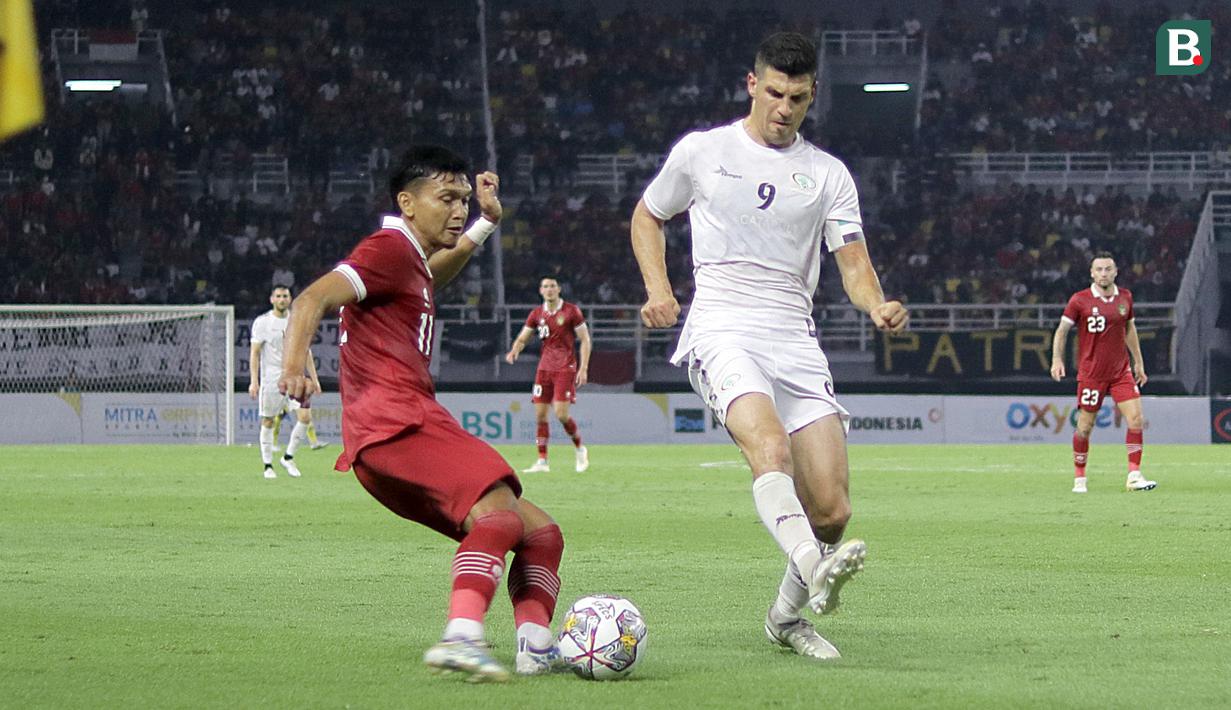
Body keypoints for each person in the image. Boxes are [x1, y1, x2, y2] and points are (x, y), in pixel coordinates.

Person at [630, 32, 909, 660]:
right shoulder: (704, 152)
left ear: (813, 98)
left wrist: (877, 304)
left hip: (794, 335)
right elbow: (648, 215)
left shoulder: (827, 174)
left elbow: (854, 264)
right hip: (723, 325)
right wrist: (658, 288)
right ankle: (815, 569)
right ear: (753, 85)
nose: (785, 108)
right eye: (775, 93)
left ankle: (786, 618)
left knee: (833, 508)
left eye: (799, 98)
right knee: (767, 444)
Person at [279, 146, 565, 682]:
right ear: (408, 203)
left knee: (540, 533)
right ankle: (461, 636)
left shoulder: (409, 260)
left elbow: (432, 276)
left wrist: (484, 225)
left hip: (388, 437)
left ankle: (535, 645)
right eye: (447, 199)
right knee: (500, 512)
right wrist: (295, 364)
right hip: (398, 423)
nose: (458, 209)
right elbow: (311, 298)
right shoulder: (388, 247)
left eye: (463, 198)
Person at [1050, 252, 1156, 493]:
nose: (1104, 273)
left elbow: (1129, 329)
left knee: (1136, 419)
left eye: (1108, 269)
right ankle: (1080, 479)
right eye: (1099, 269)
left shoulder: (1125, 297)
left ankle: (1134, 476)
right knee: (1085, 427)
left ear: (1116, 271)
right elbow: (1061, 331)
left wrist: (1138, 362)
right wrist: (1057, 359)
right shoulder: (1080, 300)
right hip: (1092, 374)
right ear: (1092, 273)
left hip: (1121, 372)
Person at [504, 277, 592, 473]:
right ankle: (542, 461)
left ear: (559, 289)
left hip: (565, 368)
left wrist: (583, 368)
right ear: (540, 291)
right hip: (544, 369)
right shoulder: (536, 314)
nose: (549, 289)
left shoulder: (571, 311)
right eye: (545, 286)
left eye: (552, 286)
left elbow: (585, 339)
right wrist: (515, 350)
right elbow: (523, 337)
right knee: (541, 416)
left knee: (561, 415)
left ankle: (580, 448)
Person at [248, 285, 323, 479]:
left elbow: (306, 351)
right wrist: (253, 381)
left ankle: (288, 457)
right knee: (268, 420)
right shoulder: (262, 322)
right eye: (278, 296)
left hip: (296, 378)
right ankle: (267, 466)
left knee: (305, 417)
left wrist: (314, 379)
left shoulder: (297, 321)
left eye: (285, 296)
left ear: (290, 299)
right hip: (272, 379)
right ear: (272, 299)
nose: (282, 299)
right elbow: (255, 353)